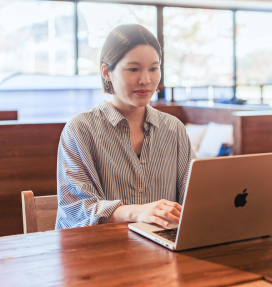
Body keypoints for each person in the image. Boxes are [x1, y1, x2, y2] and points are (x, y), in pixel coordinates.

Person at [56, 24, 196, 229]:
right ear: (106, 72)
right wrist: (136, 211)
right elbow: (74, 210)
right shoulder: (80, 129)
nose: (146, 80)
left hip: (163, 250)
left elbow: (193, 197)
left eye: (153, 68)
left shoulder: (173, 129)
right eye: (133, 69)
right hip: (100, 252)